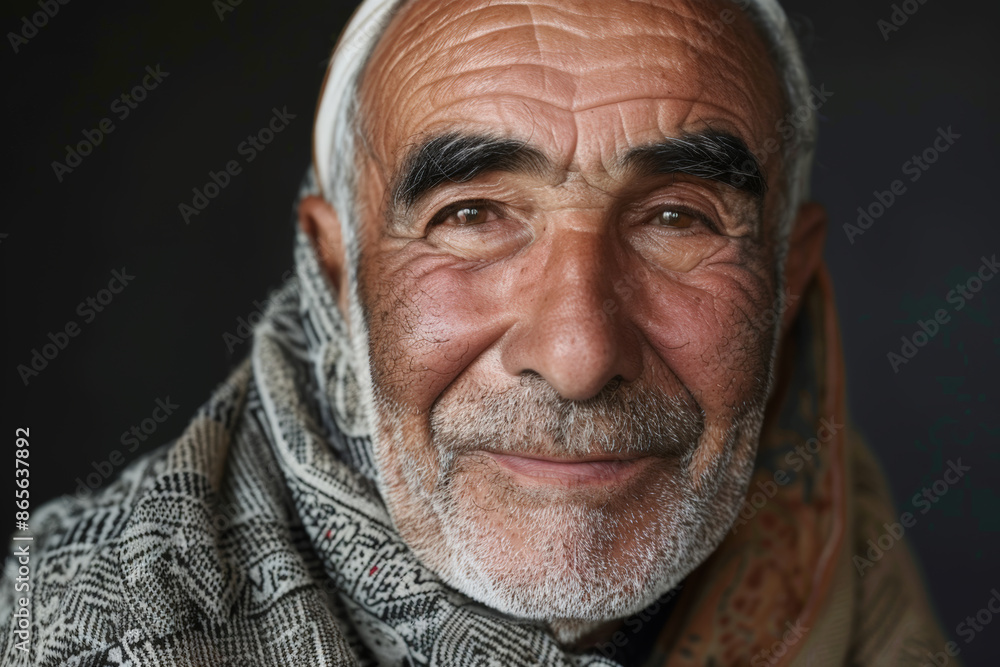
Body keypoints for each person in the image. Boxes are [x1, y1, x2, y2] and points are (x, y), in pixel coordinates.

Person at [1, 0, 952, 664]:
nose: (578, 358)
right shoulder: (81, 630)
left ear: (789, 281)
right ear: (336, 272)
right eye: (470, 215)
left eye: (677, 218)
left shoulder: (840, 547)